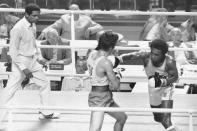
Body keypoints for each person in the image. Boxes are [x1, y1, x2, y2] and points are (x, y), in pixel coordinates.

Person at [0, 4, 58, 129]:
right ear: (26, 14)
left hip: (32, 61)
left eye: (38, 16)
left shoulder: (32, 24)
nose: (37, 18)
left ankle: (46, 112)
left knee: (45, 83)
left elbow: (33, 44)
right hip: (20, 61)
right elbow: (13, 52)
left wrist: (40, 58)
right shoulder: (17, 28)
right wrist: (23, 68)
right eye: (34, 16)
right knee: (10, 90)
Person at [119, 39, 180, 131]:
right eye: (152, 53)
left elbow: (175, 77)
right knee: (158, 118)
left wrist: (161, 82)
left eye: (157, 54)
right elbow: (129, 56)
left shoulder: (169, 62)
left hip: (166, 90)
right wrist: (115, 60)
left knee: (166, 120)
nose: (153, 56)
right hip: (153, 91)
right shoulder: (146, 56)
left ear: (164, 54)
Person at [87, 31, 127, 131]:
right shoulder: (105, 62)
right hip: (98, 99)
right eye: (115, 45)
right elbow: (116, 86)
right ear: (111, 47)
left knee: (122, 117)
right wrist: (117, 73)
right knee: (95, 129)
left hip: (105, 96)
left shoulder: (91, 53)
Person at [38, 3, 103, 40]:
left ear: (79, 10)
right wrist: (44, 31)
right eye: (71, 10)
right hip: (65, 43)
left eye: (75, 10)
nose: (73, 12)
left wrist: (90, 29)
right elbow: (53, 26)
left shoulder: (86, 19)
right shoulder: (64, 18)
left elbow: (99, 27)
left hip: (80, 43)